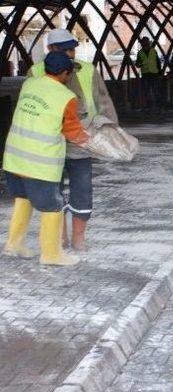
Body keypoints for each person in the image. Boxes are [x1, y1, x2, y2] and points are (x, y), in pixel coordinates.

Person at [29, 28, 119, 251]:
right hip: (50, 145)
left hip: (80, 142)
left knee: (82, 190)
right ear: (50, 49)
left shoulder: (88, 70)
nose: (71, 54)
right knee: (52, 193)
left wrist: (110, 129)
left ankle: (79, 239)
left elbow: (104, 102)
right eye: (65, 49)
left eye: (72, 49)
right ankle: (60, 238)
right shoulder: (35, 72)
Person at [2, 51, 89, 266]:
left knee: (23, 200)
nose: (69, 77)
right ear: (63, 73)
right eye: (69, 73)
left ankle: (14, 244)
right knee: (53, 206)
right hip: (39, 163)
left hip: (14, 159)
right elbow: (72, 132)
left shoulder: (29, 85)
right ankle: (51, 254)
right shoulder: (66, 97)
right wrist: (96, 141)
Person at [135, 36, 162, 113]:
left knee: (154, 91)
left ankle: (155, 106)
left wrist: (159, 72)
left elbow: (158, 62)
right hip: (146, 74)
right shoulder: (140, 53)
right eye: (144, 42)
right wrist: (139, 64)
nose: (145, 43)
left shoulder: (153, 51)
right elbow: (137, 64)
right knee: (147, 91)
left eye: (146, 42)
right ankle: (150, 107)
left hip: (153, 73)